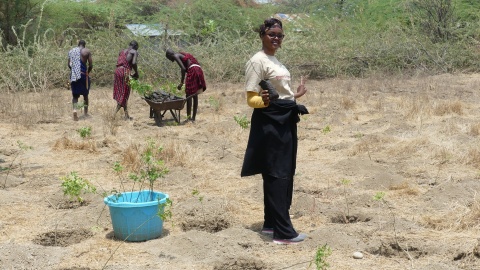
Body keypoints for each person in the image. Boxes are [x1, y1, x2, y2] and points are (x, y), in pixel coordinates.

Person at [241, 18, 309, 245]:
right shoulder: (256, 61)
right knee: (277, 173)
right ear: (262, 35)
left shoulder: (274, 60)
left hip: (284, 117)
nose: (276, 38)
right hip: (271, 121)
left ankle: (271, 224)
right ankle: (283, 232)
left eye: (280, 35)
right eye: (272, 34)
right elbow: (252, 99)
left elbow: (280, 93)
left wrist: (294, 95)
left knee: (283, 171)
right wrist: (265, 101)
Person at [165, 49, 206, 123]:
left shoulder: (175, 55)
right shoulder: (182, 54)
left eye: (169, 58)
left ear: (170, 55)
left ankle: (188, 118)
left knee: (188, 95)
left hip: (193, 70)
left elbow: (183, 69)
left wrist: (181, 83)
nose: (171, 60)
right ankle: (193, 118)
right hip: (198, 69)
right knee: (194, 94)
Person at [113, 40, 139, 120]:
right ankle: (114, 114)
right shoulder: (134, 52)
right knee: (125, 92)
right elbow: (134, 63)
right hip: (125, 72)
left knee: (122, 92)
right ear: (135, 47)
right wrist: (136, 73)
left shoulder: (121, 51)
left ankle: (126, 115)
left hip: (117, 71)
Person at [68, 39, 92, 121]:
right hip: (83, 74)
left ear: (78, 44)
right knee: (85, 94)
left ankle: (75, 110)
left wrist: (75, 70)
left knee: (75, 95)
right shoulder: (86, 51)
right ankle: (85, 113)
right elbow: (91, 65)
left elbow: (69, 64)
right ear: (84, 45)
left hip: (74, 75)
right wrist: (87, 73)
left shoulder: (72, 51)